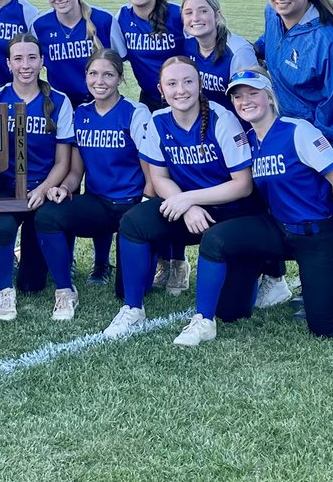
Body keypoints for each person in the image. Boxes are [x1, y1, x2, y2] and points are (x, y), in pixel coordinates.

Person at [182, 68, 333, 347]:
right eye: (238, 96)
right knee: (221, 262)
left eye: (253, 93)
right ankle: (204, 318)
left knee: (325, 327)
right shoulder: (248, 142)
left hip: (318, 235)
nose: (245, 101)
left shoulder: (297, 130)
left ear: (269, 96)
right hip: (278, 230)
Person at [103, 57, 258, 341]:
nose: (181, 90)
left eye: (188, 81)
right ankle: (133, 308)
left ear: (199, 85)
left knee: (233, 311)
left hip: (230, 212)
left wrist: (189, 200)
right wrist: (186, 206)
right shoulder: (159, 121)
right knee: (134, 222)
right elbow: (159, 178)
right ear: (161, 89)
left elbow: (243, 185)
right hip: (188, 207)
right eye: (172, 83)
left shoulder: (221, 119)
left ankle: (251, 277)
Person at [253, 0, 333, 309]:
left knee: (313, 215)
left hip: (316, 142)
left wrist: (309, 150)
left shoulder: (329, 38)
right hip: (278, 132)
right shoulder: (272, 16)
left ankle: (323, 283)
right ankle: (275, 279)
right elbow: (267, 45)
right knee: (271, 204)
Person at [35, 49, 151, 321]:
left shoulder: (135, 112)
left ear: (120, 79)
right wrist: (65, 188)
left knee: (129, 291)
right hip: (98, 202)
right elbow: (76, 170)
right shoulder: (82, 114)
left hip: (131, 207)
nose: (100, 81)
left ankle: (152, 257)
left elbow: (151, 173)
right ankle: (65, 289)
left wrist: (145, 210)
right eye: (94, 74)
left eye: (108, 74)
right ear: (86, 76)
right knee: (48, 216)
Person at [32, 0, 121, 285]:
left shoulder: (102, 20)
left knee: (99, 183)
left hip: (98, 109)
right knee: (65, 182)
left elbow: (115, 64)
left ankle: (101, 262)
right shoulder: (41, 25)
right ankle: (65, 260)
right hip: (62, 113)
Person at [0, 33, 75, 321]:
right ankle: (4, 291)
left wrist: (44, 189)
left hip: (41, 189)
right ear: (8, 63)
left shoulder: (59, 101)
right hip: (6, 188)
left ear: (42, 61)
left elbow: (62, 161)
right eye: (18, 58)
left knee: (33, 283)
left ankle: (63, 289)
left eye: (32, 57)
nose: (25, 65)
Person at [116, 0, 189, 295]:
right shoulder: (122, 18)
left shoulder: (176, 15)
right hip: (151, 104)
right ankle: (164, 259)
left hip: (184, 103)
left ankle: (179, 261)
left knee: (183, 178)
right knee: (156, 183)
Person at [181, 0, 257, 108]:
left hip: (236, 123)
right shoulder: (185, 44)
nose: (195, 18)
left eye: (203, 11)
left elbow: (251, 100)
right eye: (188, 12)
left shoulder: (239, 51)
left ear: (217, 16)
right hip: (202, 122)